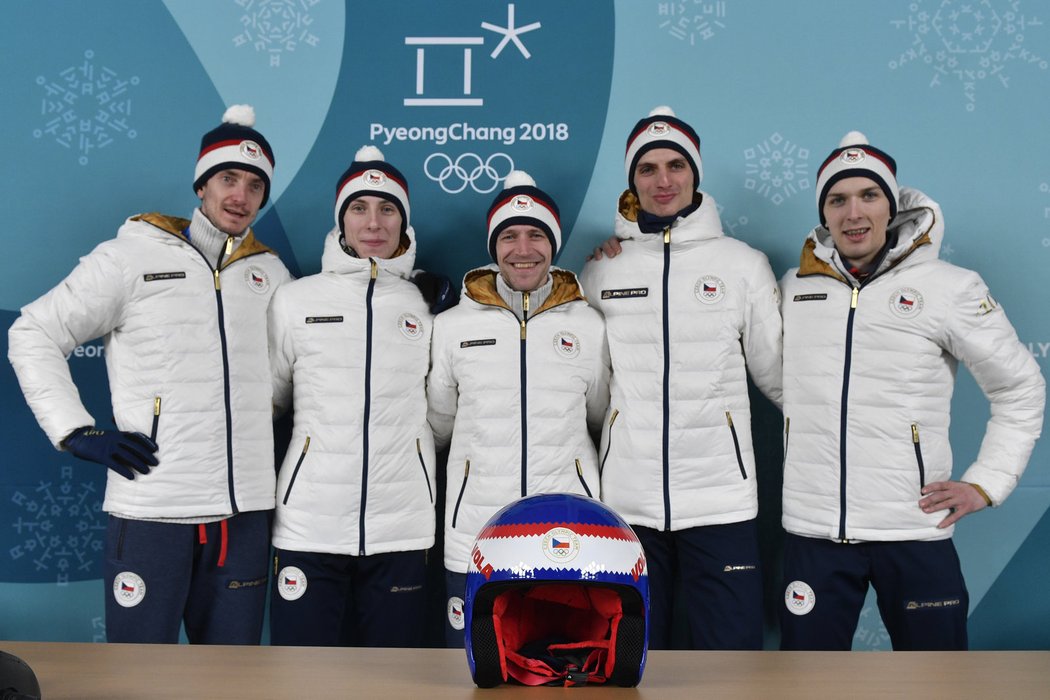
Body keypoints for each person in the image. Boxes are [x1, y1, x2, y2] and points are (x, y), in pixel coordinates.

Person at [8, 105, 292, 644]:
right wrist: (75, 429)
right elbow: (32, 332)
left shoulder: (269, 273)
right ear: (202, 185)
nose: (241, 195)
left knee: (231, 682)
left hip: (245, 513)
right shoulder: (128, 258)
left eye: (255, 185)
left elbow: (293, 371)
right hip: (153, 507)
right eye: (228, 178)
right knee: (137, 676)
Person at [779, 131, 1045, 650]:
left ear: (892, 206)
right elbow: (779, 381)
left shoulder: (950, 287)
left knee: (938, 681)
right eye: (838, 200)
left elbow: (1020, 388)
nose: (854, 213)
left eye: (868, 196)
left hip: (913, 530)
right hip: (814, 534)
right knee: (806, 684)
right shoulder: (795, 287)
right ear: (825, 215)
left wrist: (986, 482)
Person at [579, 106, 782, 650]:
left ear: (695, 174)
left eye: (675, 165)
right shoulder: (602, 270)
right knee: (632, 664)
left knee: (728, 668)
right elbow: (592, 391)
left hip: (721, 502)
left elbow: (781, 378)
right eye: (647, 169)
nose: (663, 180)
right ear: (632, 181)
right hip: (629, 506)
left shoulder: (743, 265)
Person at [427, 171, 610, 646]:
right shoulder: (450, 327)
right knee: (472, 668)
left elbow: (599, 414)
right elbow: (440, 423)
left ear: (553, 244)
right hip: (476, 530)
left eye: (536, 235)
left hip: (568, 530)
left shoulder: (588, 325)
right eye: (509, 236)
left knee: (562, 664)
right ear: (493, 246)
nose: (523, 249)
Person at [267, 146, 437, 647]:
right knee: (302, 679)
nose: (374, 222)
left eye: (388, 209)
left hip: (401, 526)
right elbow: (268, 401)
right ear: (341, 221)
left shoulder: (430, 305)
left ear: (403, 223)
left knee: (395, 681)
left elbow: (445, 409)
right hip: (308, 524)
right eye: (359, 208)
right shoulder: (295, 300)